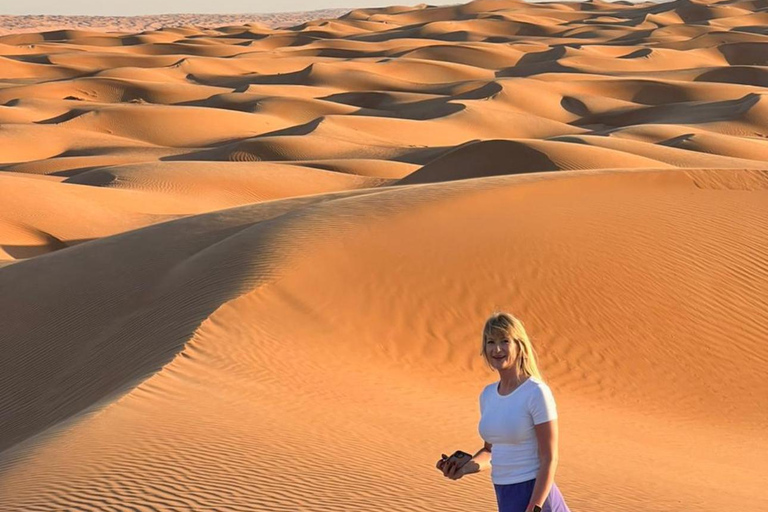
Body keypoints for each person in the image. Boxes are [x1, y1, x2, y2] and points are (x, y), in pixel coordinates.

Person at [435, 312, 571, 512]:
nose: (497, 349)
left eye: (504, 341)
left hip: (537, 498)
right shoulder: (488, 395)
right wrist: (462, 469)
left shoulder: (536, 392)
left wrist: (535, 506)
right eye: (490, 342)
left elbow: (549, 458)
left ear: (519, 345)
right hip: (506, 496)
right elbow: (491, 451)